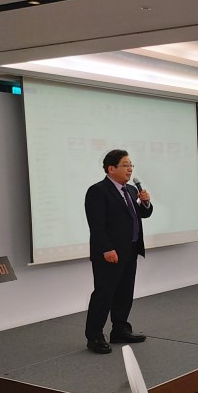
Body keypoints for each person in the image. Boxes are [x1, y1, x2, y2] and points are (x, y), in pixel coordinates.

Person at [84, 149, 153, 354]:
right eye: (125, 165)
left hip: (130, 250)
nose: (130, 169)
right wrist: (107, 248)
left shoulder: (130, 190)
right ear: (111, 168)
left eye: (131, 165)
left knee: (125, 293)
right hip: (110, 253)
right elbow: (96, 225)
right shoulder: (98, 191)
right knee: (104, 294)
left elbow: (142, 215)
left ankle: (120, 330)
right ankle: (94, 336)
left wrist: (146, 203)